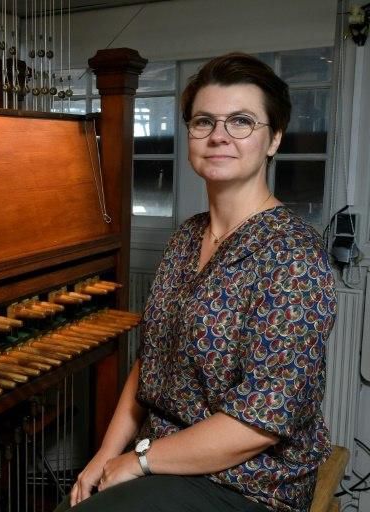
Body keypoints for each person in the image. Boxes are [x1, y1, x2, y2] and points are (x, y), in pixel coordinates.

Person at [54, 53, 337, 512]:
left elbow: (257, 425)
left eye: (242, 121)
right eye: (204, 121)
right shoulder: (187, 236)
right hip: (164, 459)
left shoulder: (293, 257)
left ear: (274, 139)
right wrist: (105, 455)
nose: (219, 135)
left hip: (248, 485)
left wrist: (139, 460)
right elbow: (151, 361)